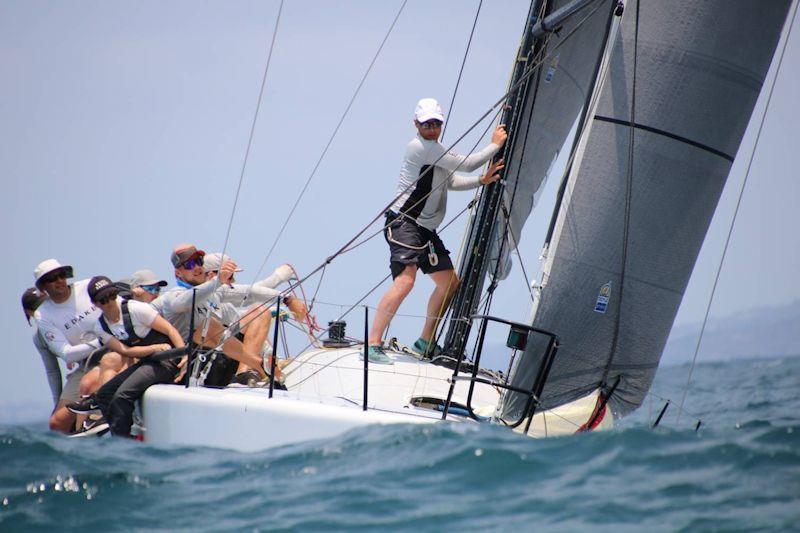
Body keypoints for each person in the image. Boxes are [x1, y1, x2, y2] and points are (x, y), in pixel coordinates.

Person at [368, 98, 507, 360]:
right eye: (426, 124)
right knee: (406, 281)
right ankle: (372, 344)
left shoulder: (437, 149)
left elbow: (449, 181)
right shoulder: (419, 147)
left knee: (450, 283)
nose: (431, 128)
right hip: (404, 224)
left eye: (436, 123)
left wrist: (481, 181)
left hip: (426, 231)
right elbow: (466, 164)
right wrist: (495, 145)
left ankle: (425, 341)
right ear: (416, 124)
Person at [69, 276, 186, 438]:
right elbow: (126, 351)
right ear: (95, 304)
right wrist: (154, 347)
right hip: (146, 361)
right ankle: (117, 432)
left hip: (165, 361)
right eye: (103, 300)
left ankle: (123, 441)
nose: (109, 302)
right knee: (104, 395)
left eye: (112, 295)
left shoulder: (136, 309)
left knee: (122, 396)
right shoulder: (100, 327)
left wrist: (183, 355)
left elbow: (170, 330)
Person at [150, 244, 273, 385]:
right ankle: (259, 365)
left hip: (223, 356)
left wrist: (288, 299)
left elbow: (250, 292)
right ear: (178, 273)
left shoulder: (214, 294)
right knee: (209, 325)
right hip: (194, 364)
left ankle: (243, 373)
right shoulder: (174, 294)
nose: (196, 267)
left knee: (260, 311)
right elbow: (181, 303)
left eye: (199, 261)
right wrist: (218, 281)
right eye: (189, 264)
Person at [32, 259, 125, 433]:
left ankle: (97, 419)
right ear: (43, 287)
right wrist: (102, 340)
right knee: (57, 424)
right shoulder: (42, 315)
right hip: (87, 363)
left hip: (118, 349)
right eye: (52, 278)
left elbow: (123, 308)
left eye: (61, 275)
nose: (59, 280)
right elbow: (67, 354)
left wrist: (110, 341)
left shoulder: (89, 286)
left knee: (88, 384)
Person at [201, 252, 310, 383]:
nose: (234, 280)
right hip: (210, 361)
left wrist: (279, 283)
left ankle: (266, 365)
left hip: (227, 354)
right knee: (259, 313)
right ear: (212, 275)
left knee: (259, 316)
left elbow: (251, 292)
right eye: (230, 276)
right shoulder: (202, 294)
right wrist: (284, 294)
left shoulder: (223, 296)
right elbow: (251, 294)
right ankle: (244, 372)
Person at [22, 287, 63, 408]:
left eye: (46, 303)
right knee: (58, 419)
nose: (43, 310)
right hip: (81, 370)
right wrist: (57, 402)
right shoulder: (39, 339)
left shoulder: (68, 317)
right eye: (37, 307)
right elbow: (52, 371)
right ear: (29, 312)